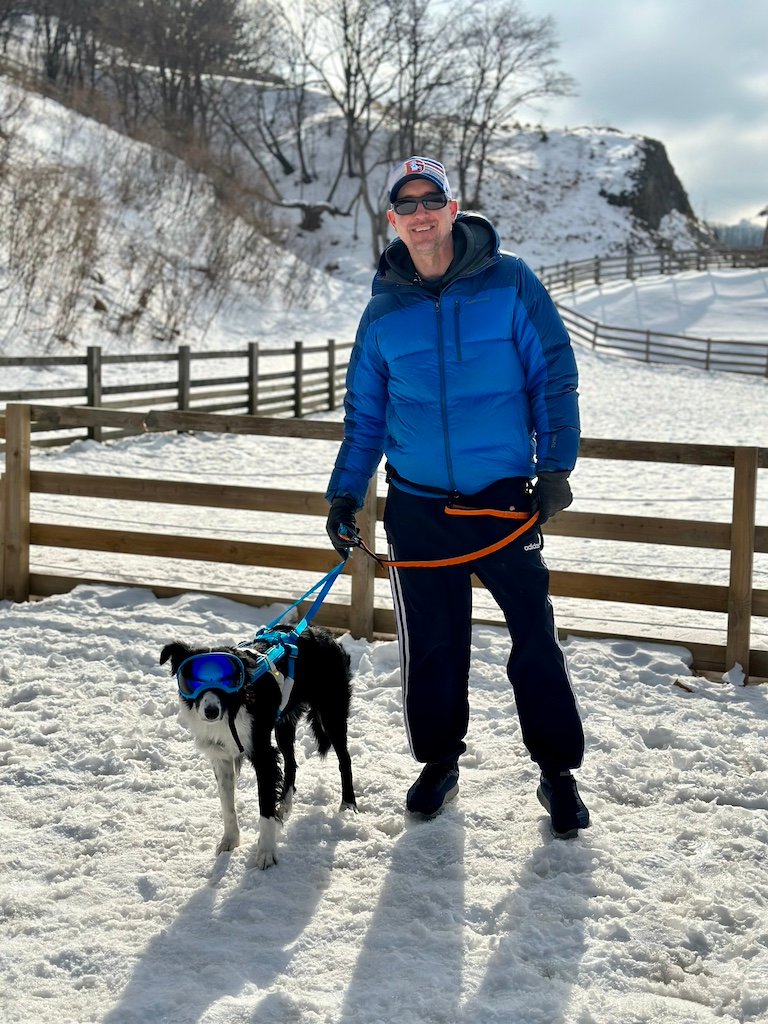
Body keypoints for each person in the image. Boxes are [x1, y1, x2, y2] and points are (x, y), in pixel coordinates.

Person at [325, 156, 589, 838]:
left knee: (534, 636)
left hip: (501, 500)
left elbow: (552, 376)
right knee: (433, 645)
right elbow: (365, 417)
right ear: (393, 220)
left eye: (430, 200)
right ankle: (439, 760)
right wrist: (346, 494)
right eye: (406, 204)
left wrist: (555, 465)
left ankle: (558, 772)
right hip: (417, 508)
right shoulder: (383, 311)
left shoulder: (511, 283)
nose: (419, 213)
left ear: (451, 207)